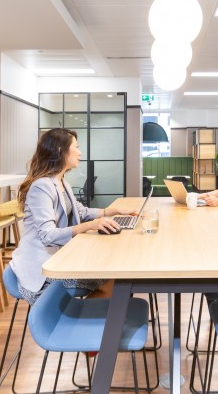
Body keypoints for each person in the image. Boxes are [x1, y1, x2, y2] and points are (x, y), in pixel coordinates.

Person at [10, 128, 136, 304]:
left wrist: (112, 211)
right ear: (61, 151)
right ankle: (86, 322)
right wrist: (90, 225)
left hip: (60, 259)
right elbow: (48, 235)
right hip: (43, 272)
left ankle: (95, 323)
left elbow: (81, 212)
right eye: (76, 147)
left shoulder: (61, 182)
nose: (80, 152)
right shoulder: (42, 187)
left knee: (112, 274)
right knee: (112, 278)